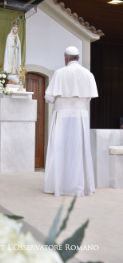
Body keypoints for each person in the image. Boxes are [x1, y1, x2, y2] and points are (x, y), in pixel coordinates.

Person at [44, 46, 98, 196]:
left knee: (60, 148)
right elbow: (88, 97)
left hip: (62, 115)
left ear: (65, 58)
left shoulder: (59, 73)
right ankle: (80, 186)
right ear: (78, 58)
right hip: (81, 116)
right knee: (79, 149)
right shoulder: (88, 74)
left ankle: (59, 186)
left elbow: (49, 97)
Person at [3, 19, 21, 84]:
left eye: (17, 30)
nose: (16, 31)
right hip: (10, 52)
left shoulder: (17, 37)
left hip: (15, 52)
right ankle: (10, 73)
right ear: (13, 29)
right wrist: (13, 42)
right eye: (15, 29)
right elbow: (8, 45)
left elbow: (19, 45)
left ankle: (14, 72)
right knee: (11, 63)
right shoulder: (9, 36)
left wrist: (16, 41)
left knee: (15, 63)